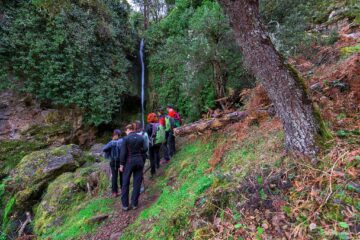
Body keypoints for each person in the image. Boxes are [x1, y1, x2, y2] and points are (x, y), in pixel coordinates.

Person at [120, 123, 146, 211]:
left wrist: (121, 164)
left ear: (128, 130)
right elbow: (145, 149)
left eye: (125, 131)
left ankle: (125, 205)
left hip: (129, 161)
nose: (125, 133)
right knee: (137, 182)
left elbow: (123, 153)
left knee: (125, 183)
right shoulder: (140, 137)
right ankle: (134, 204)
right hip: (139, 161)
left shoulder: (125, 139)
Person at [102, 129, 123, 197]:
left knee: (114, 177)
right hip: (121, 161)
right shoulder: (122, 141)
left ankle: (114, 192)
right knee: (122, 176)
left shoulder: (111, 142)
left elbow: (104, 149)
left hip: (113, 162)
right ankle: (123, 190)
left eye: (114, 134)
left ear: (115, 135)